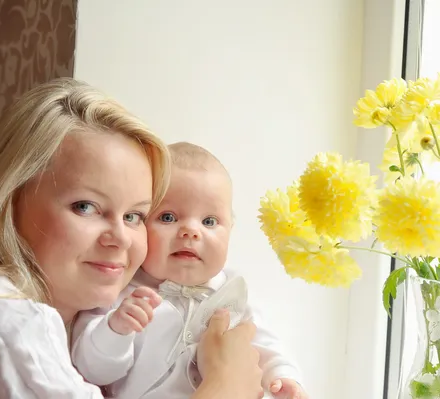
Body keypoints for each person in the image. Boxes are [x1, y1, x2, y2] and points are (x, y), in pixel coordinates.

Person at [0, 78, 264, 399]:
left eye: (135, 215)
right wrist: (227, 385)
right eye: (86, 207)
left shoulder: (71, 336)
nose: (120, 237)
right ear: (8, 202)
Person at [72, 142, 308, 399]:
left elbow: (265, 346)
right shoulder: (120, 293)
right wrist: (116, 330)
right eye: (168, 217)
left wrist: (284, 377)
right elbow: (91, 371)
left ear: (231, 229)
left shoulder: (233, 293)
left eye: (209, 221)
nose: (191, 231)